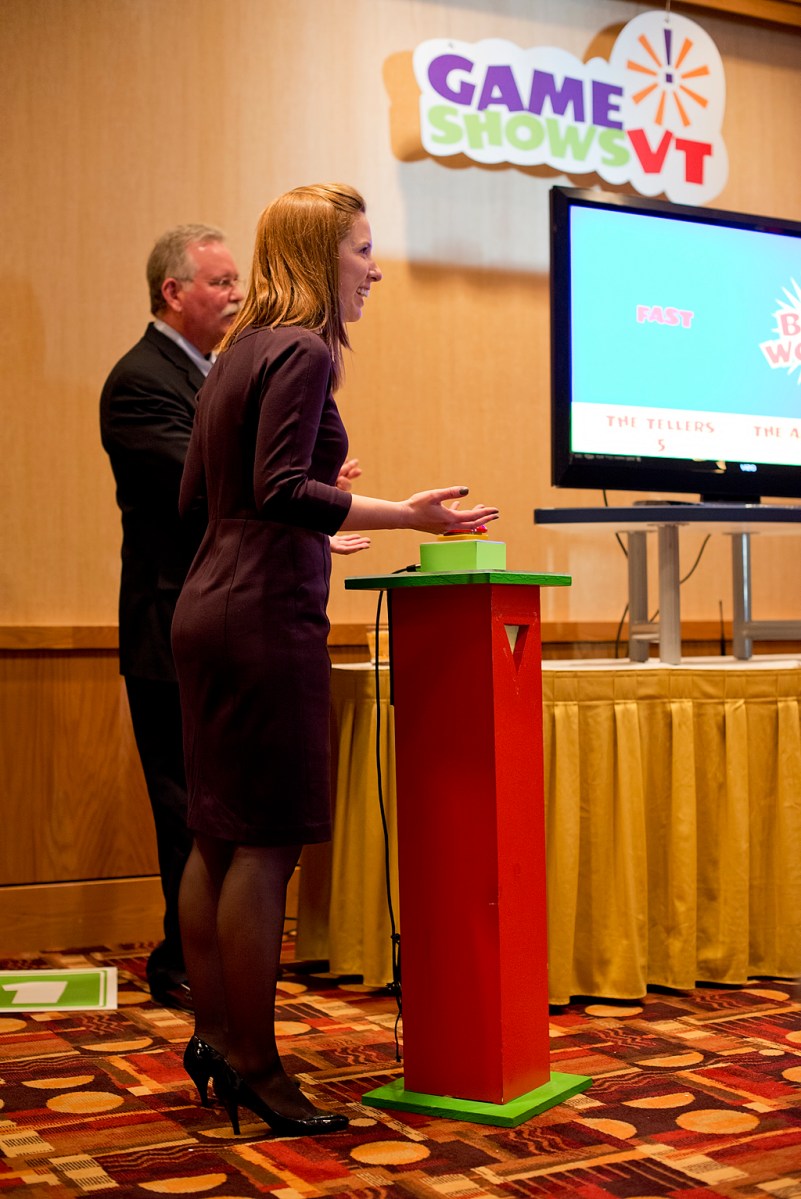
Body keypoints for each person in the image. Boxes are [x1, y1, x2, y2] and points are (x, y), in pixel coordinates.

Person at [171, 182, 499, 1138]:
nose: (375, 269)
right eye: (361, 249)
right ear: (321, 257)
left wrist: (315, 520)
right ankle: (256, 1067)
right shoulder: (306, 350)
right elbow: (279, 487)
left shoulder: (234, 353)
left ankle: (216, 1038)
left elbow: (205, 499)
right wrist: (405, 514)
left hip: (207, 604)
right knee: (265, 843)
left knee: (215, 836)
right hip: (261, 619)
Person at [100, 225, 245, 1009]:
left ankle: (206, 949)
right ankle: (183, 959)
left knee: (213, 797)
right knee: (182, 803)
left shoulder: (209, 372)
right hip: (167, 623)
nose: (236, 296)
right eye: (221, 282)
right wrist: (287, 486)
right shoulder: (140, 380)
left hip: (215, 615)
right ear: (173, 291)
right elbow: (200, 483)